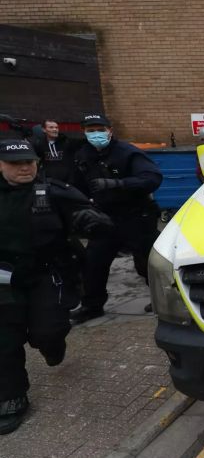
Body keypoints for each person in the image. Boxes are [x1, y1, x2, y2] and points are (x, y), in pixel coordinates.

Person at [0, 139, 111, 434]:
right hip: (4, 281)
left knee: (47, 331)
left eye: (29, 161)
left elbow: (87, 214)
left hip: (45, 275)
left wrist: (90, 221)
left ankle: (52, 345)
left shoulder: (52, 192)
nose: (24, 167)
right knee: (4, 342)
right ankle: (11, 397)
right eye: (15, 163)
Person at [70, 114, 162, 324]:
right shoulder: (83, 154)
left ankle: (160, 299)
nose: (95, 134)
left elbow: (152, 178)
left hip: (136, 216)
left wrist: (118, 184)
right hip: (104, 218)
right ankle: (91, 306)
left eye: (99, 129)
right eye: (90, 130)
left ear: (110, 130)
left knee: (149, 262)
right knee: (93, 263)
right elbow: (75, 184)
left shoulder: (127, 152)